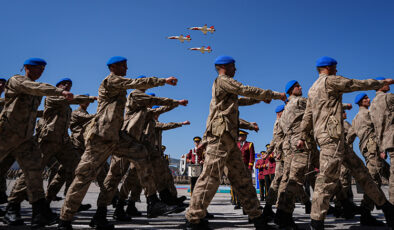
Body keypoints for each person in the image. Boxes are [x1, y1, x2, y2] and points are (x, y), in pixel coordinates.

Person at [57, 56, 179, 230]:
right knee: (83, 177)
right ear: (112, 67)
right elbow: (135, 82)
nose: (126, 69)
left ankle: (152, 201)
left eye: (126, 66)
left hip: (116, 136)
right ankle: (65, 220)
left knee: (141, 153)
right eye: (123, 66)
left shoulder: (119, 87)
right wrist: (163, 81)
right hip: (100, 137)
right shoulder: (111, 80)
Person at [185, 55, 286, 229]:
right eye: (233, 66)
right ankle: (193, 219)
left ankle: (258, 218)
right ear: (225, 67)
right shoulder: (223, 80)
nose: (236, 69)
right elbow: (244, 89)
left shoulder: (227, 90)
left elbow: (242, 100)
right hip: (219, 138)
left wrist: (260, 99)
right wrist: (273, 95)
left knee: (242, 179)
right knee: (210, 177)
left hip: (229, 140)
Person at [298, 56, 394, 229]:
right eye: (335, 67)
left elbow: (307, 116)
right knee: (326, 181)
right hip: (332, 140)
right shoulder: (330, 81)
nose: (337, 70)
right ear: (328, 68)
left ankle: (387, 209)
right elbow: (354, 84)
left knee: (362, 174)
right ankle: (316, 222)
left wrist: (302, 136)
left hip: (335, 140)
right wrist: (380, 83)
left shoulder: (312, 89)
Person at [1, 58, 73, 228]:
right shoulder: (16, 80)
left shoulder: (36, 89)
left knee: (34, 172)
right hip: (6, 135)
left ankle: (36, 213)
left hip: (25, 139)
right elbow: (36, 87)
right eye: (38, 68)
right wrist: (60, 92)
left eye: (43, 68)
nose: (41, 71)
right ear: (27, 68)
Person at [6, 78, 97, 213]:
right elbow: (71, 99)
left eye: (70, 85)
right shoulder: (53, 97)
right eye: (64, 84)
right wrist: (90, 98)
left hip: (63, 143)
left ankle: (71, 202)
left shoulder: (66, 105)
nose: (67, 86)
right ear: (58, 86)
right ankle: (13, 205)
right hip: (47, 141)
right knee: (33, 171)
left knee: (77, 167)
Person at [274, 80, 318, 229]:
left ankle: (281, 213)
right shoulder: (299, 102)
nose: (301, 88)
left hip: (292, 144)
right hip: (301, 143)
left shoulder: (286, 109)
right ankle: (284, 214)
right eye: (298, 86)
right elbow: (318, 107)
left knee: (292, 178)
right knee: (296, 179)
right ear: (291, 90)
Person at [346, 93, 391, 225]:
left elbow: (349, 137)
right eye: (366, 99)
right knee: (374, 181)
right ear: (361, 102)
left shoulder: (355, 118)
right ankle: (366, 213)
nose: (369, 99)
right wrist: (383, 148)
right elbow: (379, 130)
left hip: (366, 150)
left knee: (382, 176)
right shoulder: (369, 114)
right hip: (374, 150)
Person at [369, 77, 394, 204]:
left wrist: (381, 147)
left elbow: (376, 128)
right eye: (385, 82)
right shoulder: (388, 97)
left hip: (386, 141)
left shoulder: (372, 104)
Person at [262, 105, 285, 220]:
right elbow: (277, 139)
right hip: (283, 155)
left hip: (284, 153)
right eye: (284, 111)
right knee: (279, 181)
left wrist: (268, 152)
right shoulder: (280, 122)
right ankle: (269, 207)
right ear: (279, 113)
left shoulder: (279, 121)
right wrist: (275, 151)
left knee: (286, 180)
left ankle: (269, 207)